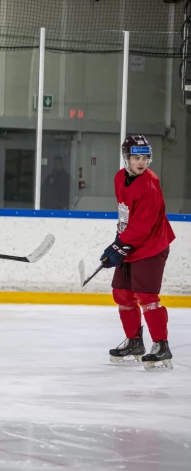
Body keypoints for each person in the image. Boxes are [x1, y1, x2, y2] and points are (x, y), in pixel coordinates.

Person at [102, 135, 176, 370]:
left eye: (145, 157)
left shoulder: (149, 184)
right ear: (127, 158)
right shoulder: (119, 178)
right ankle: (134, 341)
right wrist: (119, 239)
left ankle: (161, 345)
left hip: (152, 246)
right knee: (122, 293)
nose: (141, 162)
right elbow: (126, 215)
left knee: (147, 297)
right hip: (131, 244)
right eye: (136, 157)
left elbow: (143, 225)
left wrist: (119, 244)